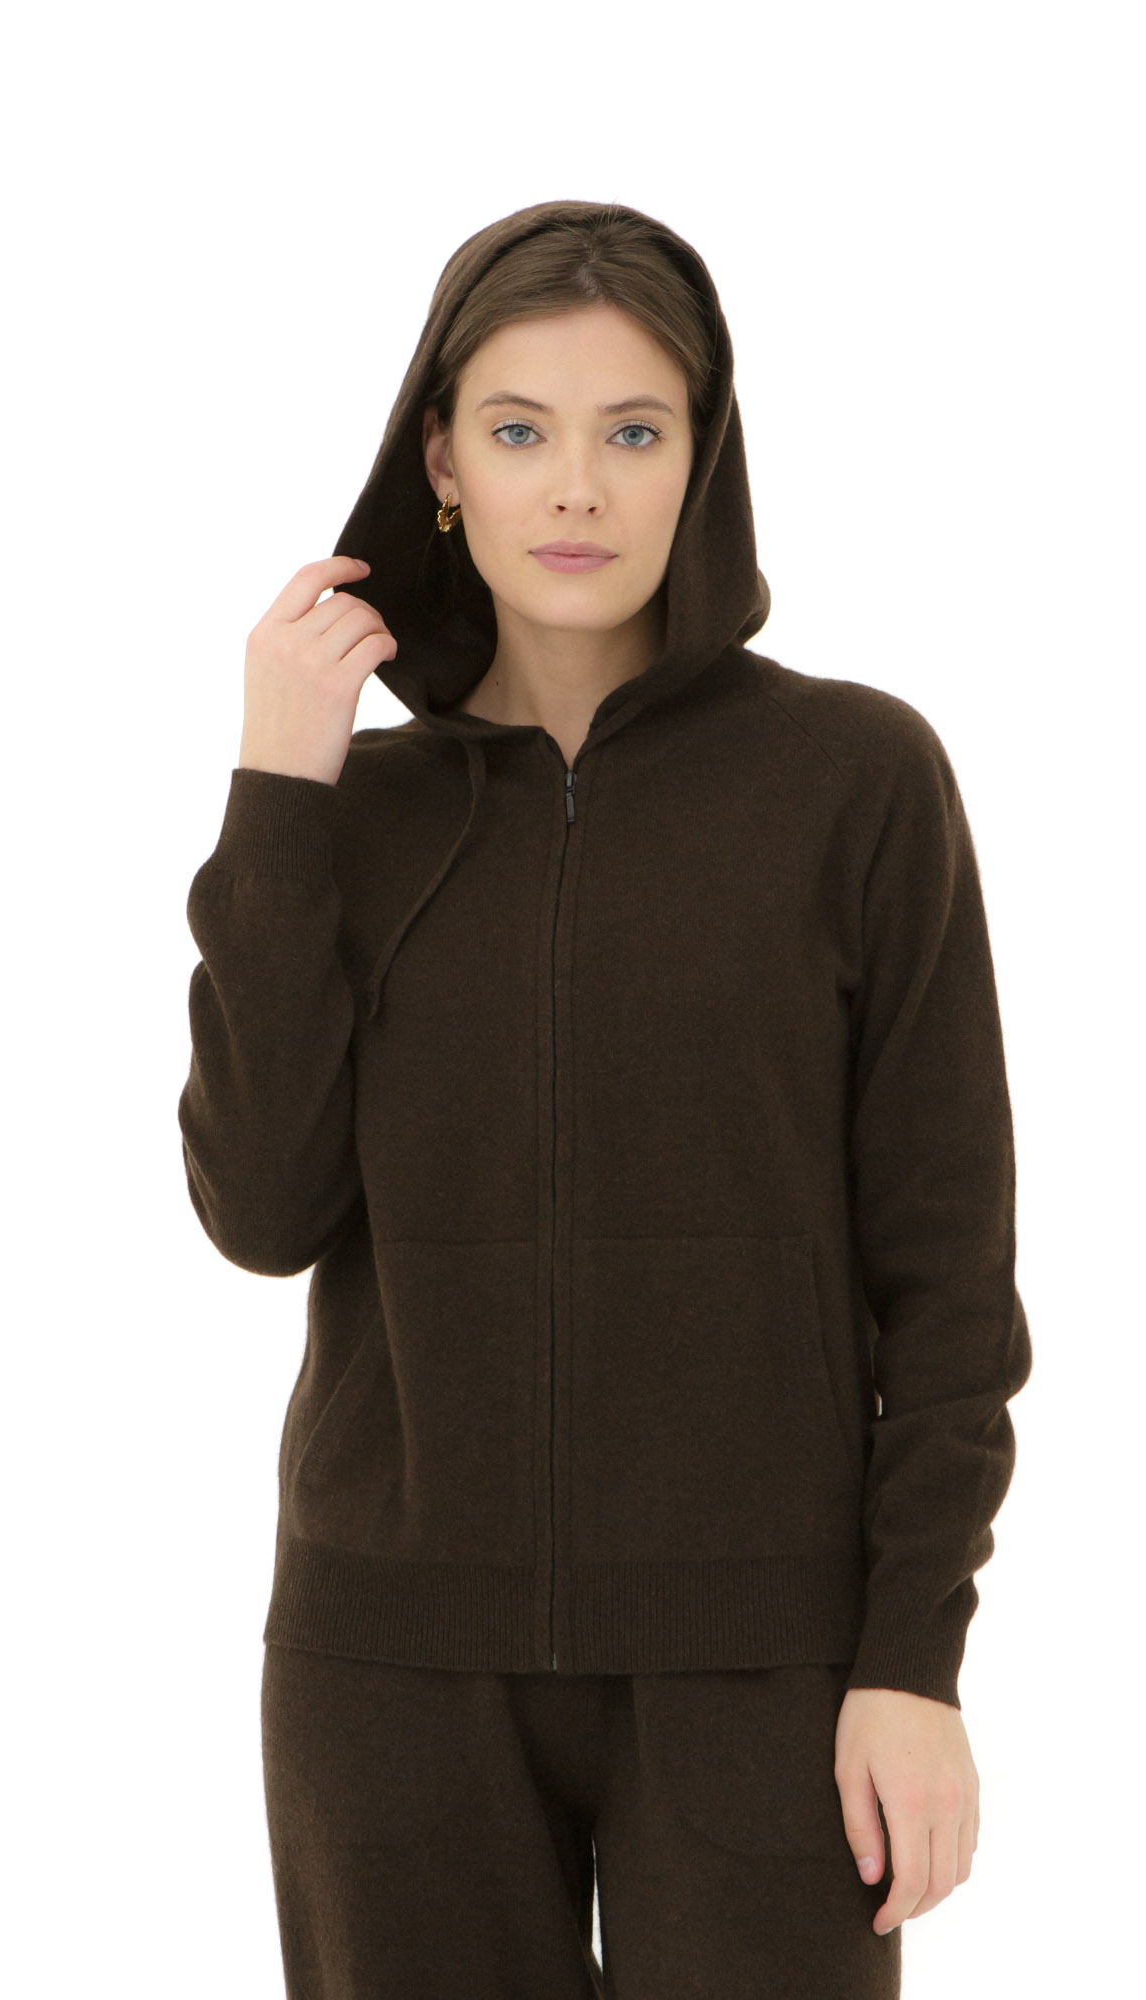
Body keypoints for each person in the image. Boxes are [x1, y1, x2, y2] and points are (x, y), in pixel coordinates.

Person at [178, 197, 1032, 1999]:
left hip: (767, 1670)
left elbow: (950, 1277)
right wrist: (278, 798)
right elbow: (260, 1210)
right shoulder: (353, 816)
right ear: (441, 464)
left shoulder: (855, 782)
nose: (576, 488)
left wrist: (913, 1659)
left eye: (633, 433)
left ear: (702, 458)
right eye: (520, 432)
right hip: (390, 1676)